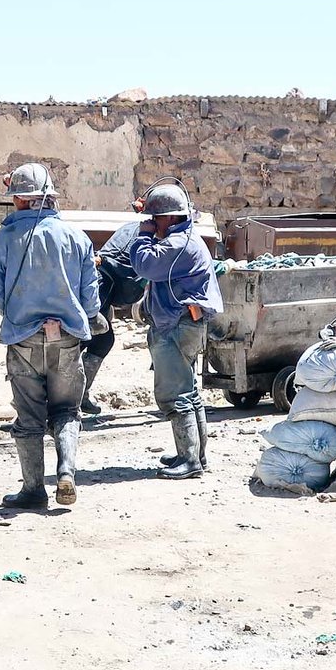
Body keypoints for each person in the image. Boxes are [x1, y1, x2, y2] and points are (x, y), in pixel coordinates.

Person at [0, 163, 102, 509]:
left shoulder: (5, 237)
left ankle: (33, 489)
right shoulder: (76, 237)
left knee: (29, 418)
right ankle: (66, 472)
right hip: (67, 339)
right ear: (50, 197)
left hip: (23, 340)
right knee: (67, 411)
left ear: (19, 199)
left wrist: (19, 317)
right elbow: (91, 298)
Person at [129, 181, 223, 480]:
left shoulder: (176, 245)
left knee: (175, 394)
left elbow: (143, 266)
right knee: (190, 392)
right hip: (184, 323)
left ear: (169, 218)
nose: (152, 223)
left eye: (157, 218)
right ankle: (195, 454)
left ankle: (190, 460)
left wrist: (142, 236)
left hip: (176, 326)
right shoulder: (185, 239)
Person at [80, 219, 145, 416]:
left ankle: (79, 394)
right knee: (77, 340)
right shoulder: (141, 233)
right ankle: (53, 397)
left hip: (103, 286)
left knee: (103, 339)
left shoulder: (141, 231)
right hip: (98, 285)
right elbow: (118, 265)